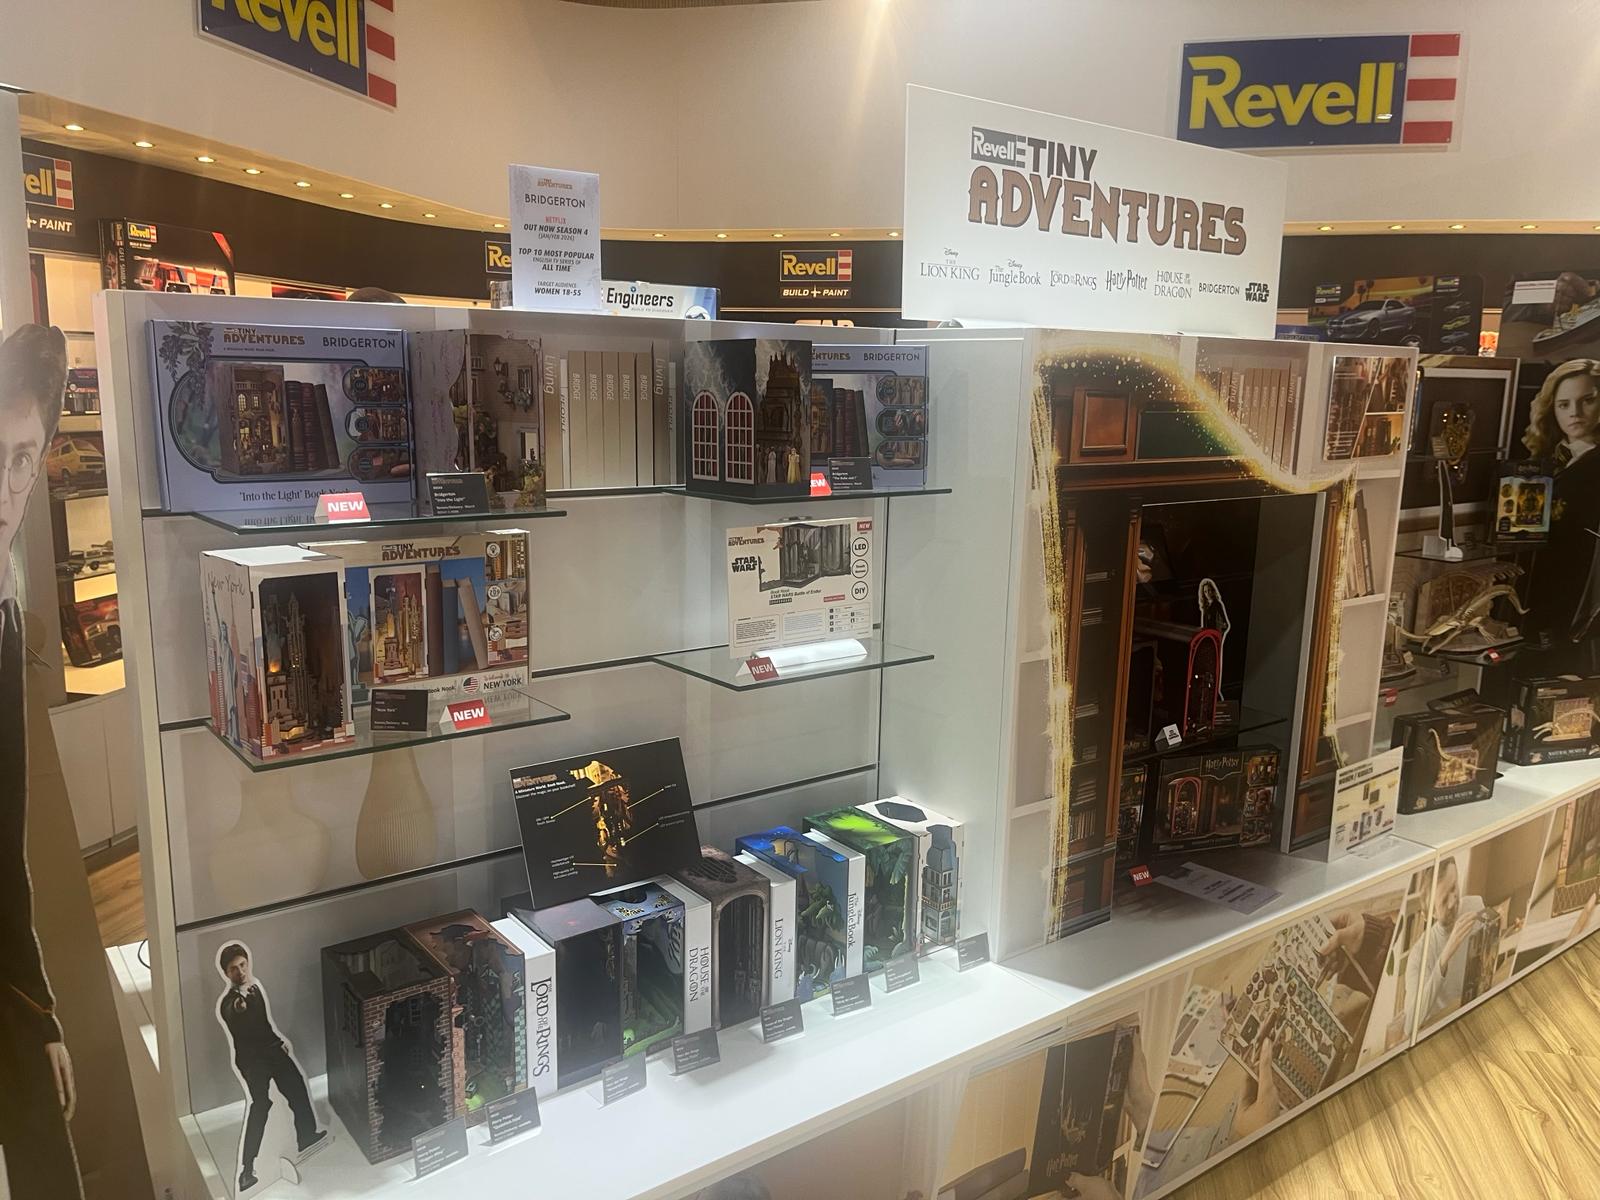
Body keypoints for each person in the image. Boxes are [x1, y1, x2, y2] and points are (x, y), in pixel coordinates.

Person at [0, 324, 82, 1199]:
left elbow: (4, 840)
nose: (4, 492)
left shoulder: (6, 609)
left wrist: (38, 1014)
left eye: (21, 459)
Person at [216, 943, 326, 1191]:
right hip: (252, 1061)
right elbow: (235, 1012)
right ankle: (246, 1171)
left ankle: (307, 1135)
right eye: (234, 968)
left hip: (272, 1049)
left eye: (242, 965)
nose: (240, 971)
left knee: (297, 1087)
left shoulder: (255, 989)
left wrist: (279, 1042)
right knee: (261, 1106)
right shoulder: (229, 1002)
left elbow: (263, 1024)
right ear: (226, 973)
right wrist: (240, 1005)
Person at [1522, 360, 1600, 664]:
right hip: (1536, 587)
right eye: (1564, 404)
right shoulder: (1543, 458)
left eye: (1587, 400)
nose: (1574, 413)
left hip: (1582, 596)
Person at [1406, 857, 1487, 1029]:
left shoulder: (1475, 904)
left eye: (1454, 888)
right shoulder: (1419, 954)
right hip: (1448, 1026)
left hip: (1480, 1007)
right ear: (1429, 914)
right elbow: (1410, 1024)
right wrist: (1444, 957)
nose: (1453, 903)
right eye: (1443, 901)